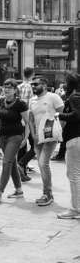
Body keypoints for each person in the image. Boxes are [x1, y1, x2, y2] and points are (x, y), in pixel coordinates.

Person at [0, 79, 30, 203]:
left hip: (16, 136)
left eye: (10, 87)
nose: (7, 89)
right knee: (12, 163)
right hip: (2, 136)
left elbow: (28, 122)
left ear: (15, 90)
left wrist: (26, 138)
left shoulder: (21, 104)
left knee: (6, 162)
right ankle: (19, 190)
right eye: (5, 87)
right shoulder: (1, 101)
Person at [28, 76, 64, 206]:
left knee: (43, 164)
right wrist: (33, 134)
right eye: (32, 84)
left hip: (50, 136)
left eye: (36, 84)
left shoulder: (53, 97)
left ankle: (47, 194)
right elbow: (30, 119)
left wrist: (58, 131)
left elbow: (62, 115)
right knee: (41, 165)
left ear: (44, 84)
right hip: (38, 138)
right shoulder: (32, 100)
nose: (33, 87)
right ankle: (47, 193)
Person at [57, 73, 80, 219]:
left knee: (74, 175)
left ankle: (75, 209)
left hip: (75, 139)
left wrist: (59, 115)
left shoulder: (75, 97)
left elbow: (77, 115)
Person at [17, 67, 35, 182]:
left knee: (22, 147)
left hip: (18, 120)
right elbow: (31, 105)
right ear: (32, 74)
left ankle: (21, 172)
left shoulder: (18, 87)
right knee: (36, 146)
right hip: (28, 119)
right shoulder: (30, 87)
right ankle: (22, 163)